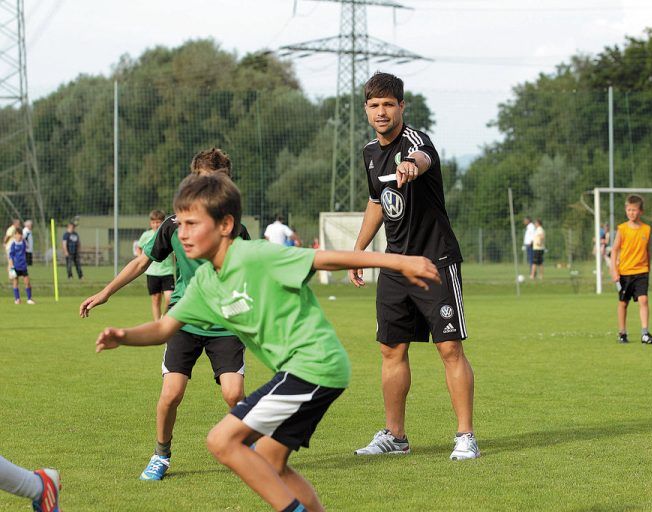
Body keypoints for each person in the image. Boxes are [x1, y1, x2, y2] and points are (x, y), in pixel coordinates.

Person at [94, 172, 440, 512]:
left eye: (192, 224)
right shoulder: (204, 284)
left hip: (314, 365)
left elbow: (325, 259)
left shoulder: (255, 255)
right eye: (180, 225)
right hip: (306, 371)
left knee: (221, 440)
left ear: (225, 225)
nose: (182, 234)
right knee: (272, 463)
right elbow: (164, 328)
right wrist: (123, 336)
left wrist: (398, 261)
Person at [80, 147, 248, 481]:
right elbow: (142, 262)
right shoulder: (174, 226)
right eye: (206, 181)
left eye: (219, 181)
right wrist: (105, 292)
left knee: (234, 393)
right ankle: (161, 455)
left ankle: (247, 447)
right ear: (193, 181)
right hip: (183, 319)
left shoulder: (235, 228)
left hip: (224, 322)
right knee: (171, 393)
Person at [349, 71, 478, 460]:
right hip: (394, 265)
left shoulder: (416, 142)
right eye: (374, 105)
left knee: (449, 347)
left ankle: (465, 436)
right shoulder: (370, 153)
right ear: (367, 110)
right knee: (391, 349)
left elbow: (421, 158)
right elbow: (376, 202)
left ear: (402, 106)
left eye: (389, 104)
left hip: (435, 261)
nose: (382, 112)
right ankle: (396, 436)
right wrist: (359, 252)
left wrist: (410, 167)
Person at [610, 195, 652, 345]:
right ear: (626, 210)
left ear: (641, 211)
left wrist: (648, 267)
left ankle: (644, 333)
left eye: (634, 210)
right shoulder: (622, 229)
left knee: (644, 300)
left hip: (641, 271)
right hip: (625, 272)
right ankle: (622, 333)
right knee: (623, 303)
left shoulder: (646, 229)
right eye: (629, 210)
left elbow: (648, 251)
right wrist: (614, 270)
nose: (631, 213)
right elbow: (615, 250)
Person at [136, 209, 175, 321]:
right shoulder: (146, 235)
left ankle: (165, 316)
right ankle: (157, 323)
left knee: (170, 298)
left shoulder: (167, 233)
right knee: (156, 299)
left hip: (167, 271)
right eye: (154, 222)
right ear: (150, 223)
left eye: (159, 222)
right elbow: (139, 247)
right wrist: (140, 258)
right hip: (152, 272)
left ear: (164, 222)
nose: (156, 224)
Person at [7, 227, 34, 304]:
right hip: (16, 266)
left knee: (27, 282)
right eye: (18, 235)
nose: (19, 236)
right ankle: (17, 299)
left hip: (23, 266)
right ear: (15, 235)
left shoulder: (23, 243)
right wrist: (11, 267)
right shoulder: (13, 244)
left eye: (20, 235)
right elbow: (11, 256)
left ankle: (29, 299)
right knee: (15, 283)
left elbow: (28, 247)